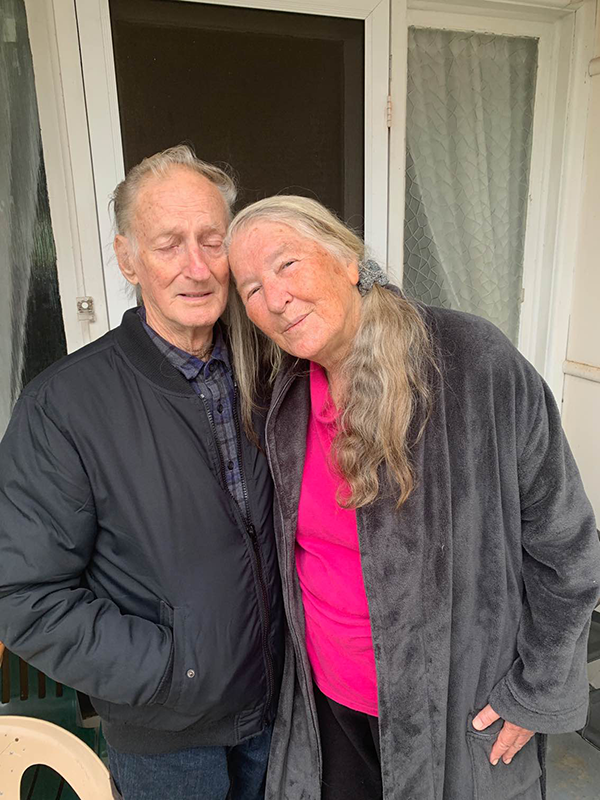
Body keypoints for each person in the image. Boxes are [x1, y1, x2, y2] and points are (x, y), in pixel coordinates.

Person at [225, 195, 600, 800]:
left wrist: (537, 691)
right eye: (250, 289)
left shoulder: (471, 362)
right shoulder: (285, 399)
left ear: (347, 259)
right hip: (329, 709)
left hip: (458, 711)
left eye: (286, 264)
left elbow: (568, 547)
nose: (274, 298)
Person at [0, 146, 284, 800]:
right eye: (168, 244)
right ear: (127, 260)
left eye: (212, 240)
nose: (197, 267)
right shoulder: (64, 406)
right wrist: (171, 672)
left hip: (279, 714)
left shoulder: (270, 370)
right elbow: (22, 595)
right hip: (166, 738)